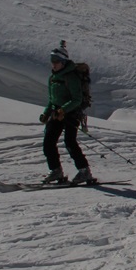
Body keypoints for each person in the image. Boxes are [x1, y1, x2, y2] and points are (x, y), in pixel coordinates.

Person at [40, 45, 93, 184]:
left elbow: (77, 99)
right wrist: (46, 113)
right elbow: (52, 100)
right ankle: (56, 171)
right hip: (57, 113)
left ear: (63, 62)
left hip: (71, 114)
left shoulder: (71, 77)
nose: (53, 63)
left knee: (70, 142)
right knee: (48, 142)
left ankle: (84, 171)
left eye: (56, 60)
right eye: (52, 60)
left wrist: (63, 110)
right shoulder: (53, 78)